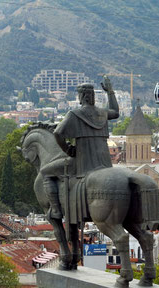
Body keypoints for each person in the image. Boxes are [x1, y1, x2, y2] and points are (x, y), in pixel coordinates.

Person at [42, 77, 119, 218]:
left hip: (84, 163)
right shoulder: (102, 113)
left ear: (81, 96)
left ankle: (56, 210)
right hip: (104, 163)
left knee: (45, 172)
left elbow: (58, 133)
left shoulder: (74, 114)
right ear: (93, 97)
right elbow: (115, 111)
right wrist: (110, 92)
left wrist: (69, 150)